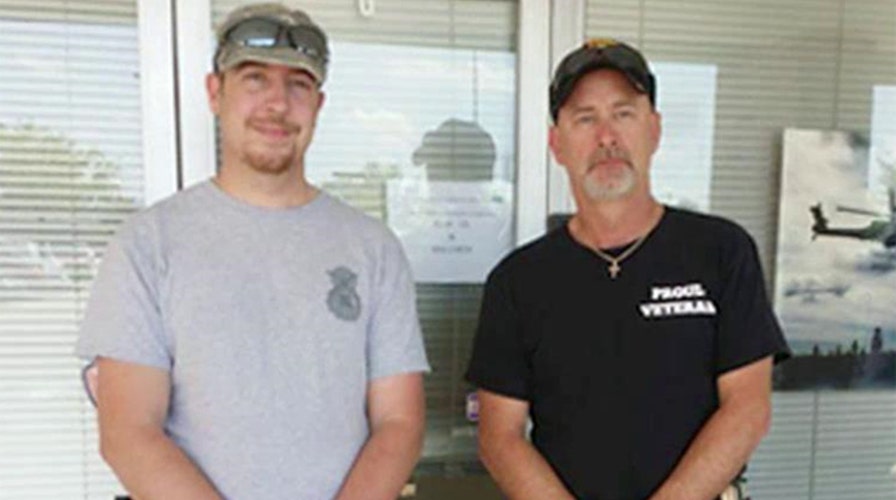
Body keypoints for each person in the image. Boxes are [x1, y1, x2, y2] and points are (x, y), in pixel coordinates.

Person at [75, 3, 429, 499]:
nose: (277, 104)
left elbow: (399, 421)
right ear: (215, 93)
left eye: (298, 85)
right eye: (254, 78)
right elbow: (129, 433)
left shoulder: (373, 248)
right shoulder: (147, 245)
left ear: (319, 105)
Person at [465, 38, 790, 500]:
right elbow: (500, 437)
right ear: (556, 143)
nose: (607, 137)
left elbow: (748, 406)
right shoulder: (518, 282)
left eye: (624, 113)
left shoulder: (721, 252)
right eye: (585, 118)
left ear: (654, 130)